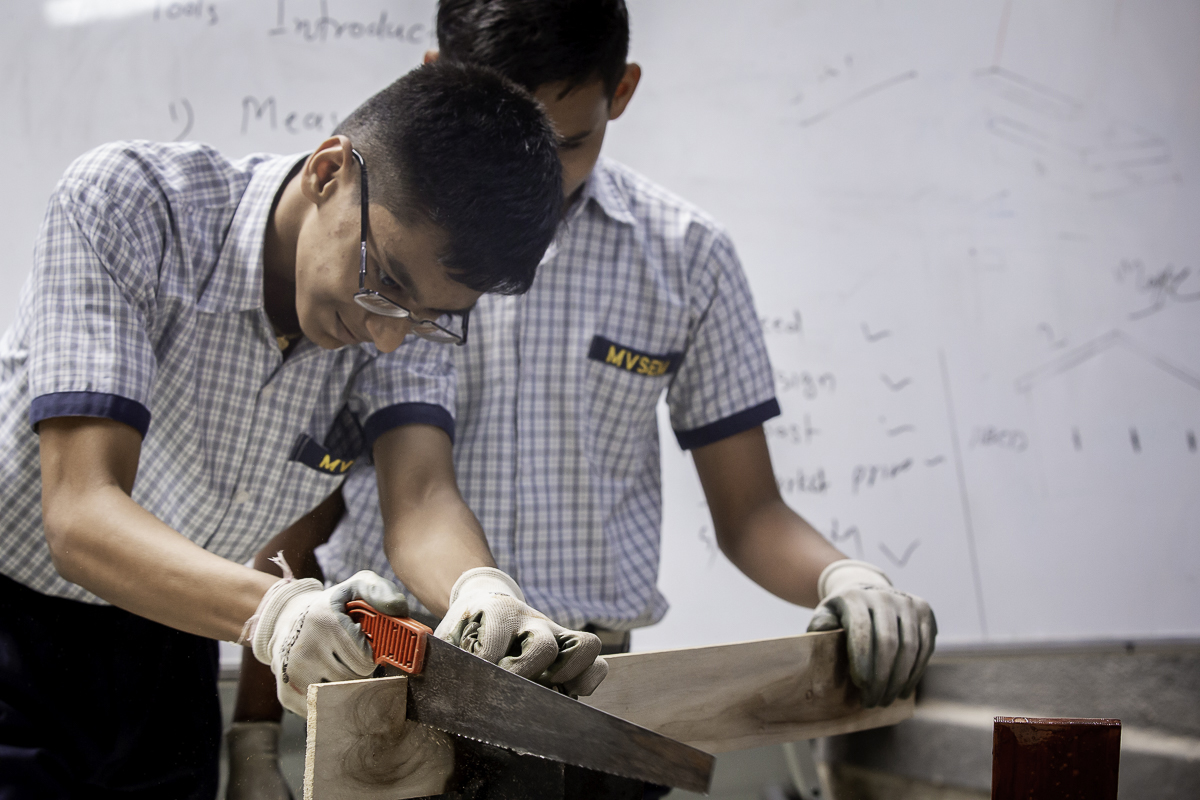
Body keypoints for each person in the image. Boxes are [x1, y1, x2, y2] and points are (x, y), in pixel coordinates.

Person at [228, 1, 938, 796]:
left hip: (602, 702)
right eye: (504, 131)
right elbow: (316, 497)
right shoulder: (375, 251)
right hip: (404, 676)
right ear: (441, 82)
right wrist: (253, 734)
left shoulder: (685, 258)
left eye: (567, 142)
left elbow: (750, 514)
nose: (536, 173)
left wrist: (850, 581)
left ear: (622, 91)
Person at [0, 61, 608, 798]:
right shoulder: (134, 204)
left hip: (180, 630)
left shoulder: (404, 320)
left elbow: (419, 504)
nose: (389, 339)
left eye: (427, 319)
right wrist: (276, 610)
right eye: (383, 282)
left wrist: (481, 596)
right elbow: (80, 514)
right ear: (329, 172)